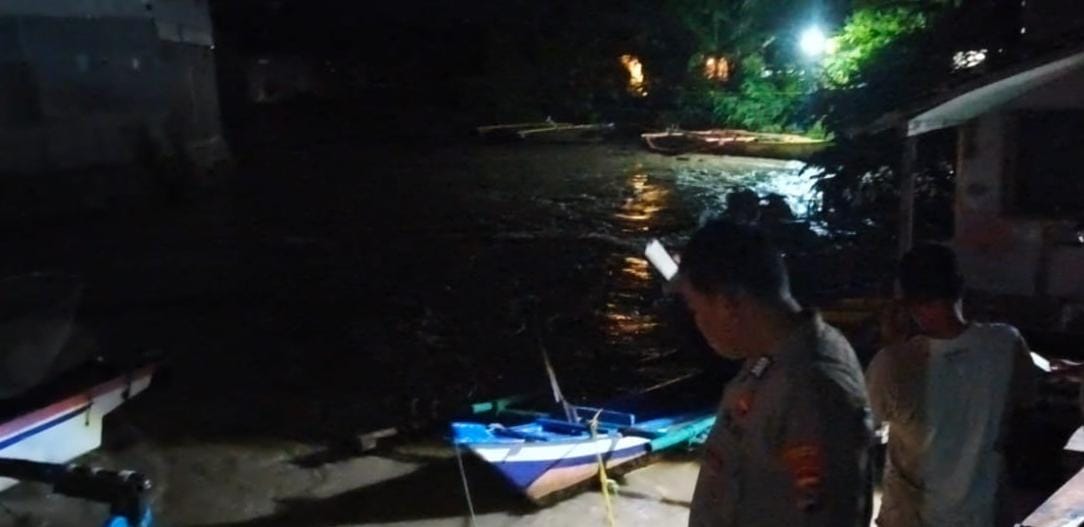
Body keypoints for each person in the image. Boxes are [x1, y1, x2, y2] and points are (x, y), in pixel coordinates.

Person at [678, 219, 874, 527]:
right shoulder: (770, 356)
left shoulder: (812, 392)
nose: (698, 322)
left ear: (729, 304)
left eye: (696, 309)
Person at [866, 243, 1039, 527]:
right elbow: (1026, 402)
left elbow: (866, 428)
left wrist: (893, 343)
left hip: (914, 519)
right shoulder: (1006, 343)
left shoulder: (893, 362)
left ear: (906, 302)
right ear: (960, 288)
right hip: (987, 516)